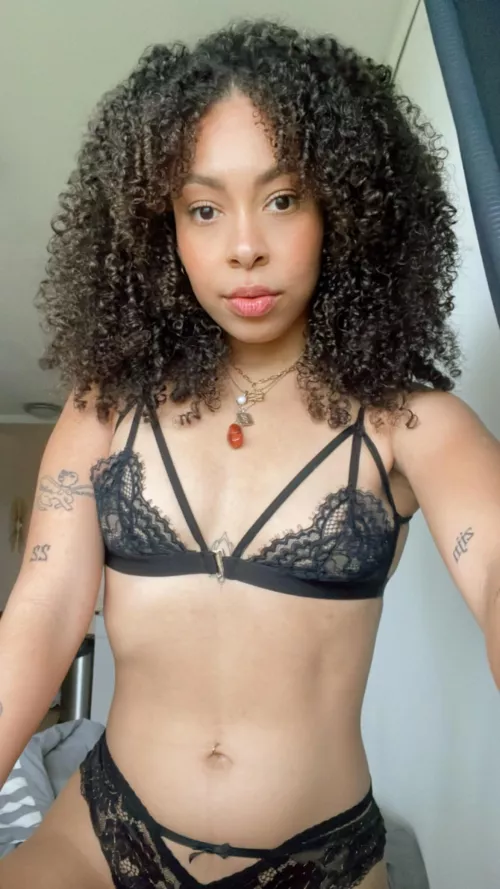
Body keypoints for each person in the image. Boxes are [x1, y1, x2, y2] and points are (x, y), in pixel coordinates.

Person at [0, 18, 499, 889]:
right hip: (102, 837)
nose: (243, 246)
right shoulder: (104, 409)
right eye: (204, 208)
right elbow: (41, 616)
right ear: (162, 230)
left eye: (282, 199)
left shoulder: (411, 422)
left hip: (320, 864)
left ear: (342, 208)